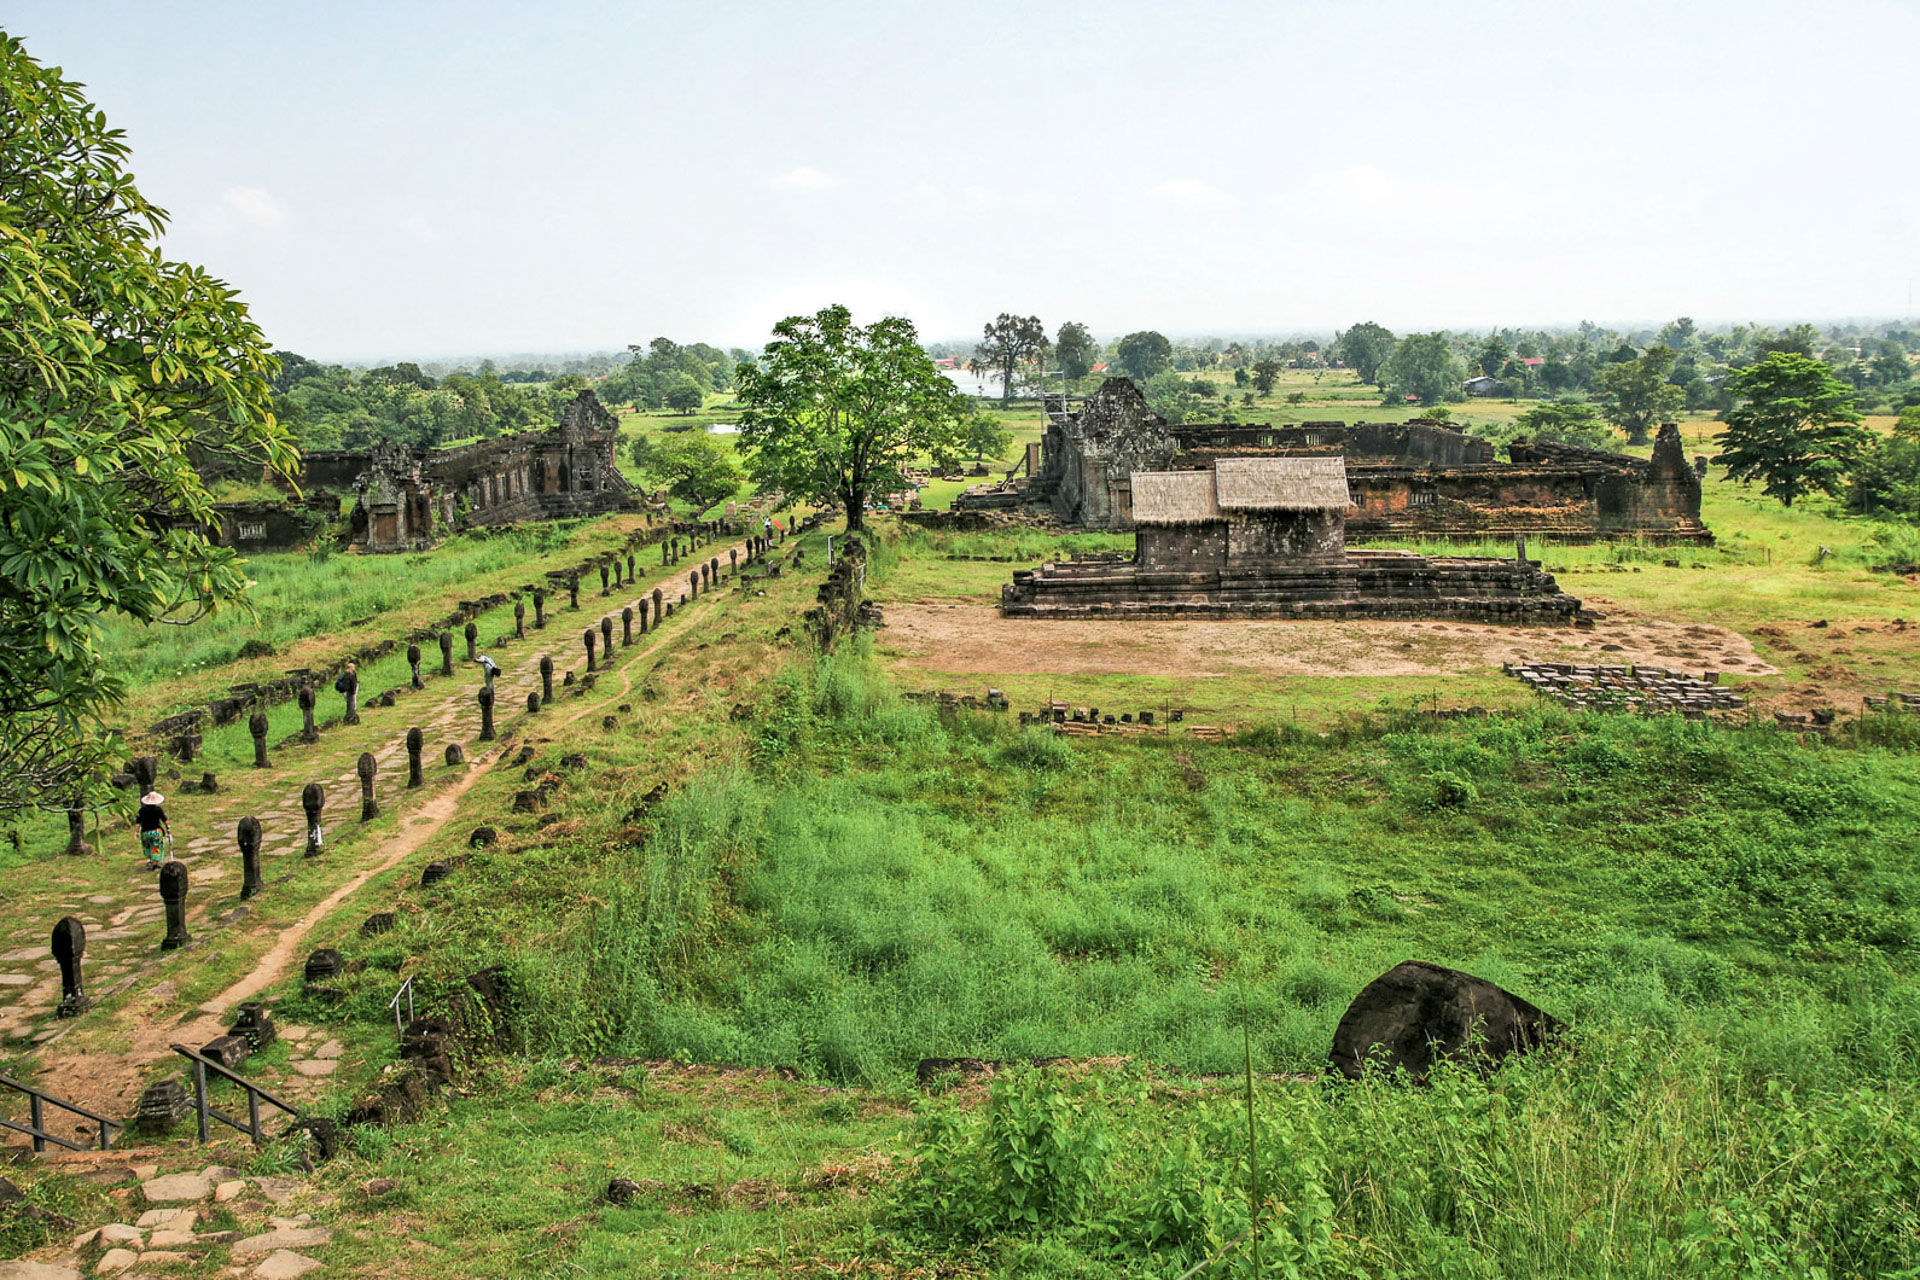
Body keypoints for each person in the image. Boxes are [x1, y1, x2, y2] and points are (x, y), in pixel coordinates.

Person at [136, 790, 171, 869]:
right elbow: (164, 820)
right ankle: (156, 863)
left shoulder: (141, 810)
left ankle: (150, 861)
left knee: (147, 846)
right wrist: (168, 828)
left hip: (145, 832)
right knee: (156, 846)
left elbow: (138, 822)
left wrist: (136, 832)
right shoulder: (158, 810)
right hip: (156, 832)